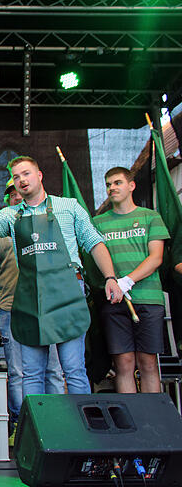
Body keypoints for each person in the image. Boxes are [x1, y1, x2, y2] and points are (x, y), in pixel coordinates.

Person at [0, 155, 123, 397]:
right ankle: (35, 431)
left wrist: (110, 277)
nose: (22, 180)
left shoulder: (68, 206)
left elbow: (94, 242)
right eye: (16, 177)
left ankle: (82, 432)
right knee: (32, 372)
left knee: (74, 369)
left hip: (68, 291)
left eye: (26, 173)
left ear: (39, 175)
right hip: (31, 296)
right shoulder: (11, 215)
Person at [0, 180, 64, 443]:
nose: (17, 196)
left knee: (52, 369)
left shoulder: (48, 222)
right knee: (17, 371)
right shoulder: (1, 229)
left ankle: (58, 424)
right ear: (7, 199)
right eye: (11, 194)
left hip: (46, 307)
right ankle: (23, 426)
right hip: (11, 307)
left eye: (20, 192)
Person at [93, 167, 169, 393]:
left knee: (147, 362)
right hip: (114, 301)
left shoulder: (150, 217)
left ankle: (153, 422)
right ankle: (133, 424)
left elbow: (156, 257)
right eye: (108, 184)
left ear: (131, 185)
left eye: (117, 183)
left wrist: (128, 280)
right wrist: (113, 283)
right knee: (123, 363)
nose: (112, 188)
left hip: (148, 298)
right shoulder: (99, 223)